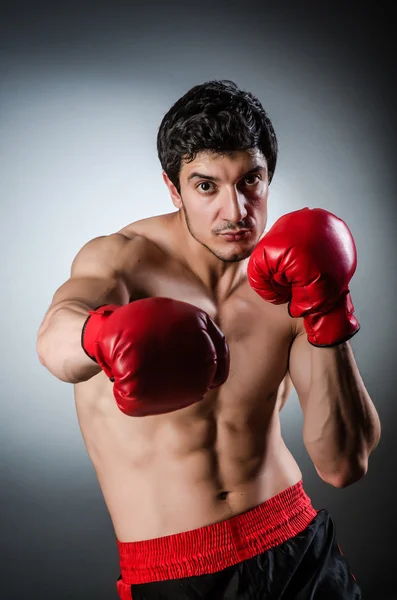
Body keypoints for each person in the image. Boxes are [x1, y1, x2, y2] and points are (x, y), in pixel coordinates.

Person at [37, 80, 380, 599]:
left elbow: (343, 464)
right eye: (206, 187)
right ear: (173, 189)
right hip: (178, 574)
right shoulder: (121, 260)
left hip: (297, 546)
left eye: (251, 181)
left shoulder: (289, 277)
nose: (236, 212)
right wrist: (100, 334)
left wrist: (327, 310)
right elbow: (56, 336)